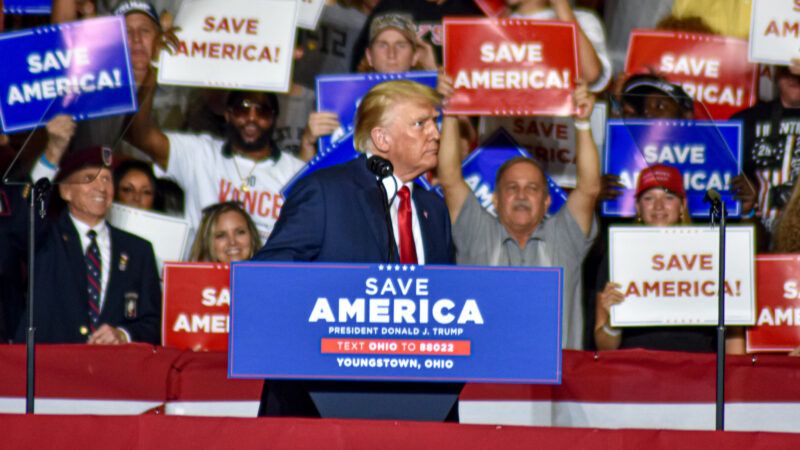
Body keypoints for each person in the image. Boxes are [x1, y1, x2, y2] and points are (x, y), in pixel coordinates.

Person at [253, 80, 459, 419]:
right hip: (319, 403)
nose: (435, 134)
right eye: (421, 123)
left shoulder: (433, 210)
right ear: (382, 138)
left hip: (419, 405)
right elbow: (267, 279)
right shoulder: (323, 192)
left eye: (435, 123)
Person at [437, 81, 600, 350]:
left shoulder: (565, 237)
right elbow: (450, 179)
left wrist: (583, 123)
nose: (522, 195)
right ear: (495, 199)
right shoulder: (476, 233)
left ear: (547, 201)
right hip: (487, 378)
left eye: (532, 188)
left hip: (556, 382)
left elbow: (589, 188)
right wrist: (451, 114)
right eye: (512, 188)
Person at [126, 74, 306, 242]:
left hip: (263, 274)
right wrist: (152, 73)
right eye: (242, 110)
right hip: (203, 272)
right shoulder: (200, 154)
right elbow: (139, 135)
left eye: (263, 111)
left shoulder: (296, 171)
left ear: (274, 118)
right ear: (228, 115)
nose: (252, 118)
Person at [14, 146, 162, 344]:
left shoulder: (138, 250)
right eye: (88, 178)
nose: (101, 187)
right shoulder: (45, 238)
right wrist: (52, 155)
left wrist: (123, 334)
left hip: (112, 370)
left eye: (106, 179)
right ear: (65, 190)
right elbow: (25, 215)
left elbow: (153, 323)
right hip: (52, 369)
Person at [593, 164, 744, 353]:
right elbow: (604, 346)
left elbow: (734, 328)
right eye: (649, 198)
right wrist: (612, 323)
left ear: (683, 205)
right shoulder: (618, 255)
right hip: (637, 372)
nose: (658, 206)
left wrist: (736, 376)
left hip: (697, 371)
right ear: (638, 207)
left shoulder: (709, 252)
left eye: (668, 197)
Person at [732, 66, 800, 244]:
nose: (795, 76)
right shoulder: (745, 122)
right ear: (775, 73)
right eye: (787, 69)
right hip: (758, 238)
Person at [507, 0, 612, 92]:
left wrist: (563, 10)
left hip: (561, 112)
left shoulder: (583, 20)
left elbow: (591, 74)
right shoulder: (498, 22)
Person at [189, 202, 261, 263]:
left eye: (240, 232)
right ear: (206, 242)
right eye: (221, 236)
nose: (232, 242)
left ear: (252, 235)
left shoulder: (270, 277)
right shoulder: (191, 279)